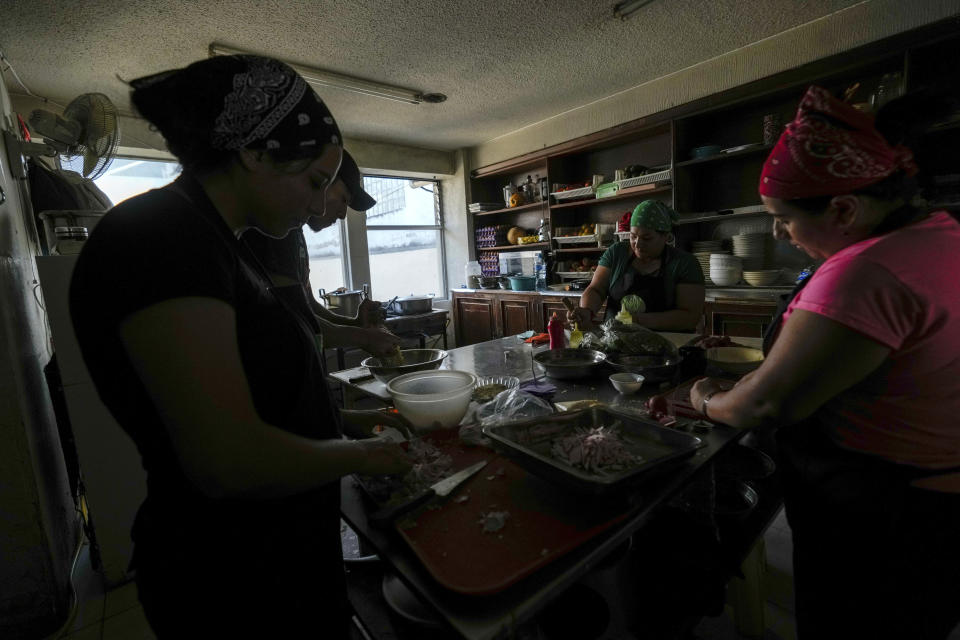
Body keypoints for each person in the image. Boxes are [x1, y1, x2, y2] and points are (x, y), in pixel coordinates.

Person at [68, 55, 411, 638]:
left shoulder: (225, 243)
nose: (316, 203)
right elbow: (228, 461)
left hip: (283, 554)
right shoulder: (161, 239)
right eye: (313, 181)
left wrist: (354, 419)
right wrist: (364, 456)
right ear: (255, 152)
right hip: (231, 580)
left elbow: (267, 400)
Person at [689, 86, 960, 639]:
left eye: (782, 219)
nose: (778, 233)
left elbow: (767, 404)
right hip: (935, 502)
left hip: (884, 516)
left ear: (843, 208)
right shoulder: (937, 233)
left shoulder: (866, 271)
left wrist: (706, 400)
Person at [241, 149, 401, 358]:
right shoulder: (275, 231)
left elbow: (308, 307)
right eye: (344, 199)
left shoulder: (293, 233)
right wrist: (365, 337)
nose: (343, 214)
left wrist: (354, 325)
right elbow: (294, 319)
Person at [567, 200, 704, 331]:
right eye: (633, 236)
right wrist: (587, 311)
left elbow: (689, 317)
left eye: (647, 238)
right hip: (614, 340)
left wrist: (637, 321)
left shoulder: (685, 264)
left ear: (666, 237)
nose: (637, 244)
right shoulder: (617, 253)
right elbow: (596, 289)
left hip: (666, 345)